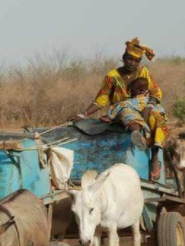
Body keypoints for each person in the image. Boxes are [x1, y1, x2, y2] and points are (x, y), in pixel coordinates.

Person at [70, 38, 169, 180]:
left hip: (145, 106)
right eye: (129, 59)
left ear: (139, 62)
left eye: (136, 61)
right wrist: (83, 114)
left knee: (158, 114)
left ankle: (154, 156)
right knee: (127, 112)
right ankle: (137, 135)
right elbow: (101, 100)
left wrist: (149, 106)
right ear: (123, 58)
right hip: (122, 110)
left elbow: (156, 93)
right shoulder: (112, 76)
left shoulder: (143, 72)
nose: (132, 63)